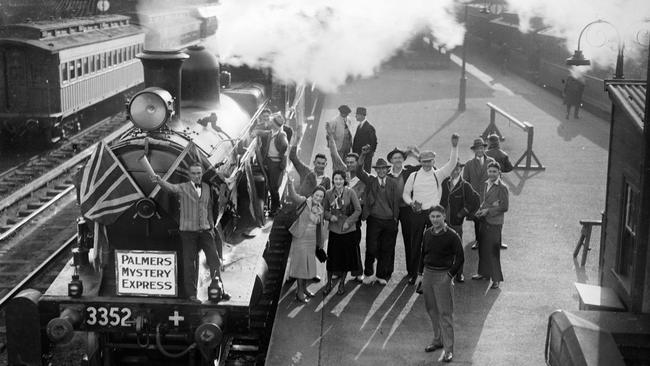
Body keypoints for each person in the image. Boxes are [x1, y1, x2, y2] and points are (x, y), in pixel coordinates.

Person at [151, 163, 229, 303]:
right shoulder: (183, 187)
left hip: (205, 231)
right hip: (188, 233)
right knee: (189, 263)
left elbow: (208, 207)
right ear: (189, 175)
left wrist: (211, 226)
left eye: (199, 173)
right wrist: (159, 181)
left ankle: (219, 289)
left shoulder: (206, 187)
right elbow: (171, 188)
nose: (197, 176)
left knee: (214, 260)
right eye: (194, 173)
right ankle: (192, 295)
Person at [402, 134, 459, 284]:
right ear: (420, 161)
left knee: (434, 244)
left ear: (434, 161)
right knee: (415, 244)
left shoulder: (438, 174)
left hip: (433, 214)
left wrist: (454, 147)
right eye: (424, 161)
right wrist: (411, 203)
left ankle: (430, 274)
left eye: (429, 161)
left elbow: (452, 164)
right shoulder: (413, 175)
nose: (427, 164)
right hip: (417, 214)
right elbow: (406, 194)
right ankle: (414, 274)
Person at [415, 206, 463, 363]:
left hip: (443, 275)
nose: (435, 219)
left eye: (438, 216)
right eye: (432, 216)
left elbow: (460, 258)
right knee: (431, 310)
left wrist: (449, 276)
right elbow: (423, 254)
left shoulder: (452, 236)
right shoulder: (427, 233)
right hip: (428, 274)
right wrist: (420, 274)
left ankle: (448, 350)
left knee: (445, 313)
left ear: (444, 217)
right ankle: (438, 340)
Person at [326, 133, 366, 282]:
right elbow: (334, 154)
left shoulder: (363, 180)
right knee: (337, 247)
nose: (349, 164)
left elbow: (363, 202)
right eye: (348, 162)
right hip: (337, 219)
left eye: (352, 162)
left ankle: (357, 272)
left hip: (353, 220)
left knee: (353, 246)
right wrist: (331, 138)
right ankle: (337, 270)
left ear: (357, 164)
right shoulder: (341, 175)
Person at [357, 153, 401, 285]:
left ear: (387, 170)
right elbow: (359, 172)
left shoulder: (393, 183)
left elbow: (396, 202)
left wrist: (395, 219)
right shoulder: (371, 180)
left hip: (389, 221)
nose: (381, 171)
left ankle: (381, 275)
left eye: (384, 168)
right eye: (379, 169)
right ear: (375, 170)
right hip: (374, 220)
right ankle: (369, 274)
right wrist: (363, 155)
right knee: (371, 248)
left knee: (386, 249)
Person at [322, 170, 362, 295]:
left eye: (340, 179)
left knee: (345, 259)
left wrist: (348, 222)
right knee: (332, 258)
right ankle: (329, 283)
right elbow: (324, 210)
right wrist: (329, 216)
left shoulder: (350, 192)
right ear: (333, 180)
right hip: (334, 230)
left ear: (344, 180)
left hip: (347, 230)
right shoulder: (328, 193)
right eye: (336, 179)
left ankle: (341, 283)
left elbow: (358, 210)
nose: (338, 181)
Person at [286, 180, 327, 302]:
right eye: (316, 195)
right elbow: (293, 195)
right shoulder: (304, 201)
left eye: (321, 196)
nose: (318, 198)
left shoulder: (320, 208)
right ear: (312, 194)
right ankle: (299, 293)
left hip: (311, 239)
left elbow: (318, 224)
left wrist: (320, 242)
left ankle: (304, 289)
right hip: (300, 237)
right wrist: (289, 183)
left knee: (308, 265)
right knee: (301, 266)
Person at [440, 161, 480, 282]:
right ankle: (445, 273)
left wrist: (462, 213)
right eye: (452, 169)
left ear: (460, 170)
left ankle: (459, 273)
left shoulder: (465, 185)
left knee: (457, 248)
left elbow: (474, 200)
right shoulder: (444, 183)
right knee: (443, 248)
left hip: (456, 222)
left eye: (457, 169)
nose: (455, 171)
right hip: (442, 220)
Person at [472, 161, 508, 289]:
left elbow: (504, 206)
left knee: (493, 251)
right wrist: (481, 209)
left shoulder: (502, 187)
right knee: (483, 248)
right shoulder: (485, 184)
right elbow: (485, 201)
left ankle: (496, 279)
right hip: (484, 220)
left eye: (494, 171)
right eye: (490, 171)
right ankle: (483, 273)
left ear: (499, 173)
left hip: (495, 223)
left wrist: (489, 210)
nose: (492, 174)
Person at [387, 146, 421, 280]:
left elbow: (428, 165)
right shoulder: (387, 174)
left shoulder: (411, 170)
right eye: (395, 158)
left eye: (400, 157)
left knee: (410, 240)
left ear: (403, 159)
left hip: (407, 210)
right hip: (392, 210)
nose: (397, 160)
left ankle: (412, 271)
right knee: (389, 240)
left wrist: (415, 155)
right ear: (390, 160)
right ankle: (387, 270)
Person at [463, 138, 495, 250]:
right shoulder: (469, 164)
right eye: (477, 149)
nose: (480, 150)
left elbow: (497, 178)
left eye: (482, 148)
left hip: (488, 196)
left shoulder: (491, 162)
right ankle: (478, 240)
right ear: (474, 150)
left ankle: (488, 241)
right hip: (475, 198)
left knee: (489, 219)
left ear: (484, 148)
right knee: (477, 221)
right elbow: (465, 182)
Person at [258, 114, 289, 216]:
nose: (270, 122)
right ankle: (273, 207)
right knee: (270, 185)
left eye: (272, 122)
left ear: (275, 124)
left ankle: (276, 207)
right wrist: (257, 132)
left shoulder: (281, 135)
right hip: (269, 161)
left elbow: (285, 145)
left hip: (276, 163)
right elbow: (265, 133)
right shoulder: (272, 132)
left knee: (273, 187)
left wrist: (283, 158)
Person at [351, 107, 377, 173]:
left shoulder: (369, 127)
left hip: (366, 156)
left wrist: (370, 153)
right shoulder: (359, 126)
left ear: (362, 115)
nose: (355, 116)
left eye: (357, 114)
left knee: (366, 172)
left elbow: (374, 142)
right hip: (357, 155)